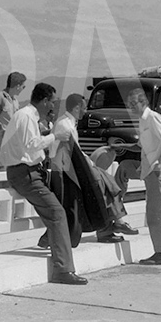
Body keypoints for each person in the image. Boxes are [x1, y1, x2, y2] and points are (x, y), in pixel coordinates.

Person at [0, 83, 87, 285]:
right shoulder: (28, 117)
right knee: (57, 212)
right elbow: (32, 145)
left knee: (56, 209)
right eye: (52, 102)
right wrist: (55, 136)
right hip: (25, 173)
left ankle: (52, 241)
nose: (53, 107)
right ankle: (63, 269)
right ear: (45, 101)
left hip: (27, 171)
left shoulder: (25, 115)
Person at [42, 94, 137, 246]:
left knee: (106, 184)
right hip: (68, 172)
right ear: (76, 108)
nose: (85, 111)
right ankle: (113, 224)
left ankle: (113, 224)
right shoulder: (65, 125)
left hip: (71, 168)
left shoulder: (67, 123)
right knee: (104, 185)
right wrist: (90, 166)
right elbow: (72, 154)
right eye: (84, 108)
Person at [126, 88, 161, 266]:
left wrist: (160, 163)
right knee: (153, 212)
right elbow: (140, 146)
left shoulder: (153, 117)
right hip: (150, 171)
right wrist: (118, 147)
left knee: (157, 212)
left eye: (134, 104)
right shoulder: (142, 120)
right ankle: (159, 251)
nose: (131, 107)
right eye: (129, 105)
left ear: (143, 103)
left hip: (159, 171)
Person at [0, 72, 27, 171]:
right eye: (23, 87)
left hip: (12, 139)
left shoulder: (15, 101)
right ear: (18, 86)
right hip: (1, 139)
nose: (23, 89)